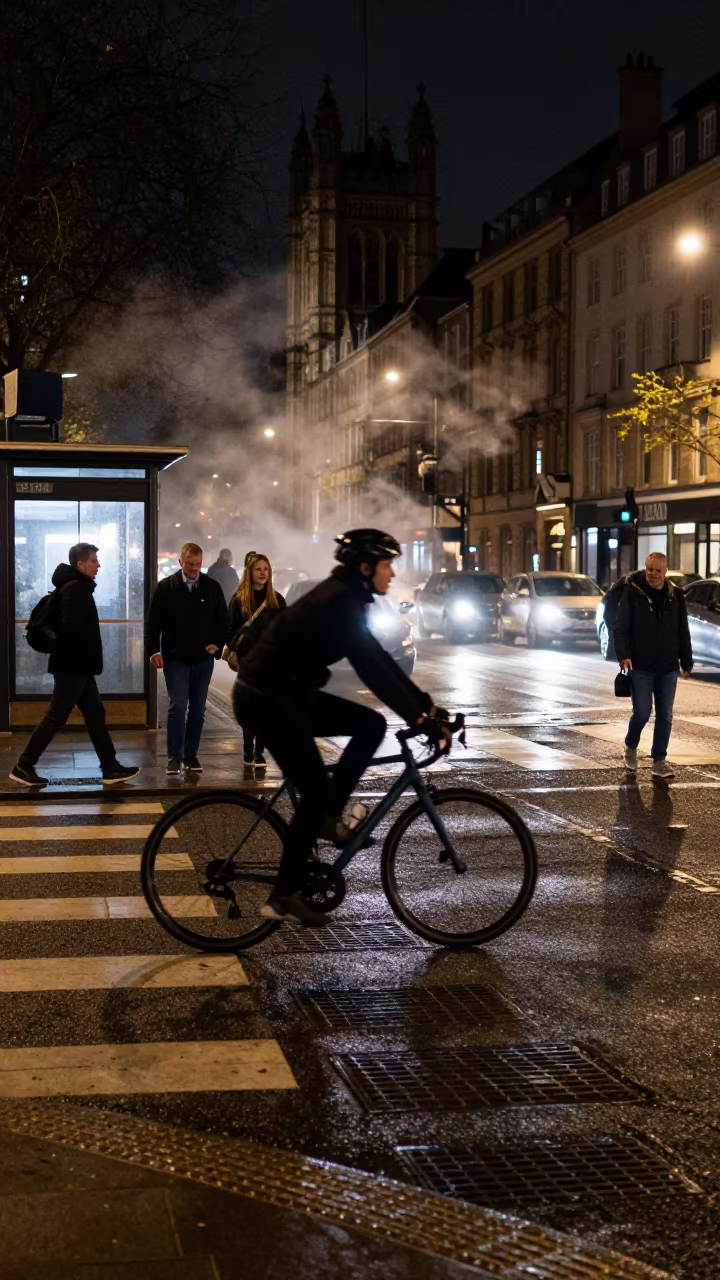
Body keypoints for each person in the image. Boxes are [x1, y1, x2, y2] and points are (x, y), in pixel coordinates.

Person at [233, 528, 450, 926]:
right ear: (365, 567)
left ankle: (329, 818)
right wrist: (419, 717)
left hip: (285, 691)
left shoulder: (348, 597)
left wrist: (424, 707)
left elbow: (379, 661)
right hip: (265, 697)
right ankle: (284, 894)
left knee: (369, 724)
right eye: (387, 565)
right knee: (315, 788)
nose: (392, 574)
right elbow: (371, 668)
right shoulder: (338, 601)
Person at [9, 544, 140, 787]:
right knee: (56, 717)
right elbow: (72, 631)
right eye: (94, 561)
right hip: (73, 666)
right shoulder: (75, 590)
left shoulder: (75, 588)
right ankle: (23, 765)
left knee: (95, 714)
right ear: (81, 564)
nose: (98, 565)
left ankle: (110, 767)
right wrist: (81, 654)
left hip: (79, 666)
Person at [146, 541, 229, 775]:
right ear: (180, 562)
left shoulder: (211, 587)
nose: (194, 569)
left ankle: (191, 755)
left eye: (198, 564)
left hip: (203, 659)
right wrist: (153, 651)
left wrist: (218, 644)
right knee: (178, 705)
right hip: (176, 658)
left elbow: (223, 620)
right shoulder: (166, 588)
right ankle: (175, 756)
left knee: (198, 709)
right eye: (190, 564)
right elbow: (153, 623)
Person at [614, 551, 693, 779]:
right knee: (641, 713)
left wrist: (686, 661)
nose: (653, 574)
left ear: (665, 571)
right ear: (645, 568)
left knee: (665, 715)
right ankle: (631, 745)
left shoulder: (675, 595)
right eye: (650, 569)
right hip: (641, 664)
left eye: (658, 570)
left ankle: (659, 760)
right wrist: (624, 655)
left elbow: (682, 631)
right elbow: (621, 627)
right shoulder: (632, 593)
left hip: (668, 666)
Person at [227, 553, 286, 767]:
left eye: (266, 569)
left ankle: (259, 752)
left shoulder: (277, 600)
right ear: (250, 572)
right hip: (248, 661)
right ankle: (247, 749)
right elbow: (230, 631)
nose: (263, 573)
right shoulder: (239, 600)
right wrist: (242, 647)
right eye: (258, 569)